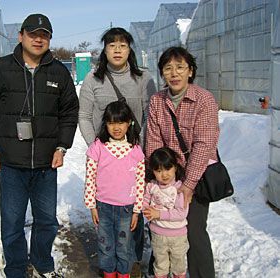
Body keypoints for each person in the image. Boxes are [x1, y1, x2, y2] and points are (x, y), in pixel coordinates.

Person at [0, 14, 79, 278]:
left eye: (44, 34)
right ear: (21, 36)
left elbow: (69, 112)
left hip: (46, 164)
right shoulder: (0, 69)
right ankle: (16, 269)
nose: (38, 39)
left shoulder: (59, 72)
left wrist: (62, 147)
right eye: (33, 33)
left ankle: (43, 264)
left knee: (46, 221)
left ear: (49, 40)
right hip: (11, 163)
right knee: (12, 222)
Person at [79, 27, 156, 270]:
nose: (117, 50)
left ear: (130, 49)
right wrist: (98, 149)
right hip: (106, 157)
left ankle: (130, 262)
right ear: (104, 49)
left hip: (134, 154)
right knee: (107, 212)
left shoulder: (143, 78)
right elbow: (84, 115)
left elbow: (150, 114)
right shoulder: (94, 79)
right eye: (112, 45)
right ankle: (109, 263)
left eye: (123, 45)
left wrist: (139, 149)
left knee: (133, 208)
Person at [145, 46, 219, 278]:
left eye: (180, 67)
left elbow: (204, 143)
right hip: (167, 175)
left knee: (194, 231)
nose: (174, 73)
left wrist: (187, 185)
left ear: (190, 71)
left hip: (197, 176)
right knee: (160, 227)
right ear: (162, 73)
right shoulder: (158, 101)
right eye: (168, 68)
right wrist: (158, 176)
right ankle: (159, 272)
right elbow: (154, 142)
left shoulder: (203, 99)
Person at [84, 101, 145, 278]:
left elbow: (140, 182)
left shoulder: (135, 150)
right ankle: (109, 273)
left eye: (120, 122)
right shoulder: (97, 148)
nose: (116, 128)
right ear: (105, 124)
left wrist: (136, 210)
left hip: (127, 208)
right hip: (103, 207)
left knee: (124, 245)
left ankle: (123, 273)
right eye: (111, 123)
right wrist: (92, 206)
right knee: (105, 244)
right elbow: (90, 178)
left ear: (129, 123)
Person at [143, 147, 189, 278]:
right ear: (153, 171)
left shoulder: (179, 189)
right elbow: (145, 201)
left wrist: (158, 214)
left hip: (178, 236)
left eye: (168, 169)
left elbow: (181, 213)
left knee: (178, 265)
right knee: (160, 265)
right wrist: (145, 209)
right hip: (158, 234)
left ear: (175, 167)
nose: (164, 174)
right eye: (159, 171)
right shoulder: (152, 186)